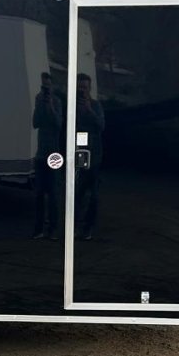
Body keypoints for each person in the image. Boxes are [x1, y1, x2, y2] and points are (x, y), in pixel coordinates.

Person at [32, 72, 63, 239]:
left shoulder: (57, 102)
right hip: (41, 153)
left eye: (47, 86)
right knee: (39, 194)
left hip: (54, 153)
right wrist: (39, 105)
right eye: (43, 86)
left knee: (53, 193)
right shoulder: (39, 100)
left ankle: (53, 229)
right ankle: (38, 229)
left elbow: (59, 124)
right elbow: (35, 123)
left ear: (53, 87)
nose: (45, 89)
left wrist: (50, 106)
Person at [74, 73, 104, 240]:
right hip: (80, 152)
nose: (82, 90)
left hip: (94, 153)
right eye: (80, 87)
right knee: (78, 192)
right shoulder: (72, 106)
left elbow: (101, 126)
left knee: (93, 194)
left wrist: (89, 110)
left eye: (84, 87)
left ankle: (88, 227)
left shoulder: (95, 105)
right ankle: (75, 226)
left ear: (90, 88)